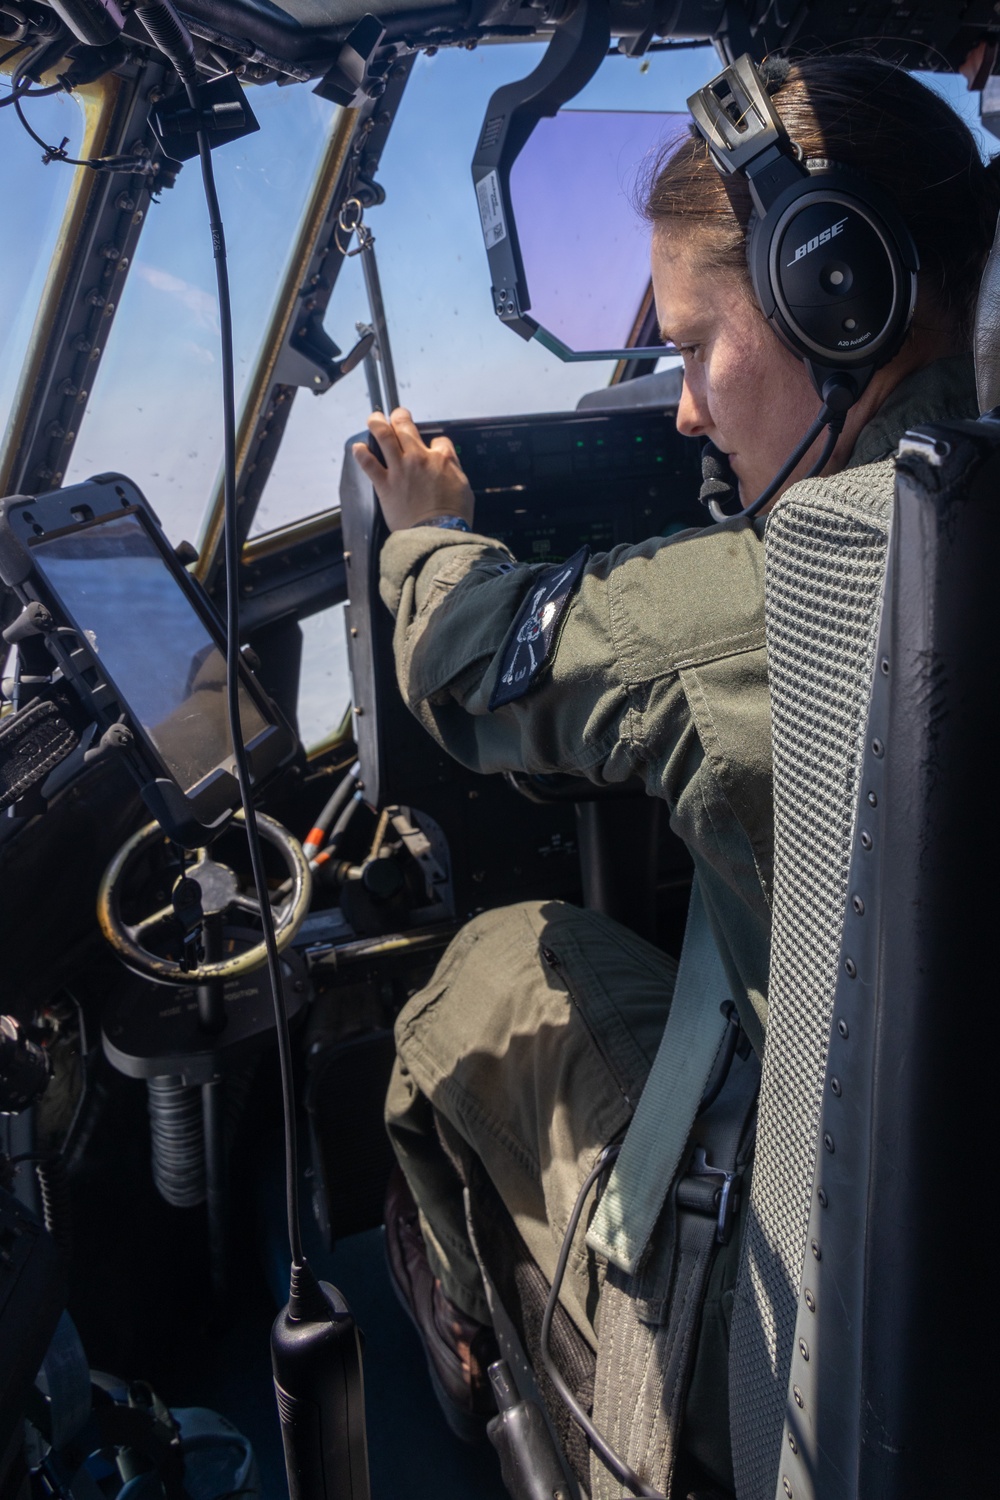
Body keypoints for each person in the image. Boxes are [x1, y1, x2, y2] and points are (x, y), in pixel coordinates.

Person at [350, 53, 999, 1490]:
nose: (687, 412)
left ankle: (510, 1372)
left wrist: (427, 530)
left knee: (488, 967)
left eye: (698, 348)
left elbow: (466, 665)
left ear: (845, 302)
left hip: (835, 1382)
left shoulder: (809, 601)